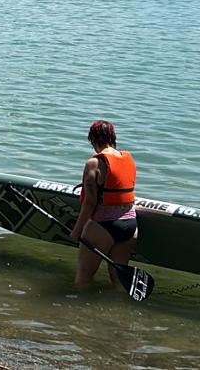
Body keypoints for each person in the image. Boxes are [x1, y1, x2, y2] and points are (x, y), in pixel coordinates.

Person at [71, 119, 138, 290]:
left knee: (84, 277)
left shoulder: (94, 163)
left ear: (93, 139)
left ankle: (77, 310)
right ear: (112, 138)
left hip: (104, 226)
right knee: (119, 281)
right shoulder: (129, 159)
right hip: (130, 226)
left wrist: (77, 231)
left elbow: (90, 202)